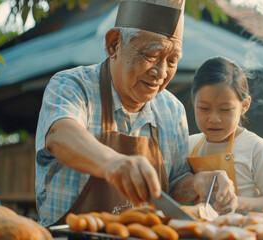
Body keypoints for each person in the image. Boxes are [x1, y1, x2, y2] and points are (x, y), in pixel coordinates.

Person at [35, 0, 236, 227]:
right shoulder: (72, 85)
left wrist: (200, 183)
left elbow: (174, 184)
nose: (161, 72)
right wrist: (112, 163)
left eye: (172, 60)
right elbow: (60, 135)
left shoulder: (172, 110)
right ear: (114, 45)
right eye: (151, 55)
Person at [187, 56, 263, 217]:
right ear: (193, 103)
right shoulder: (188, 145)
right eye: (204, 108)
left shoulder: (256, 147)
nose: (213, 118)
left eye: (225, 109)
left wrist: (237, 203)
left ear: (245, 105)